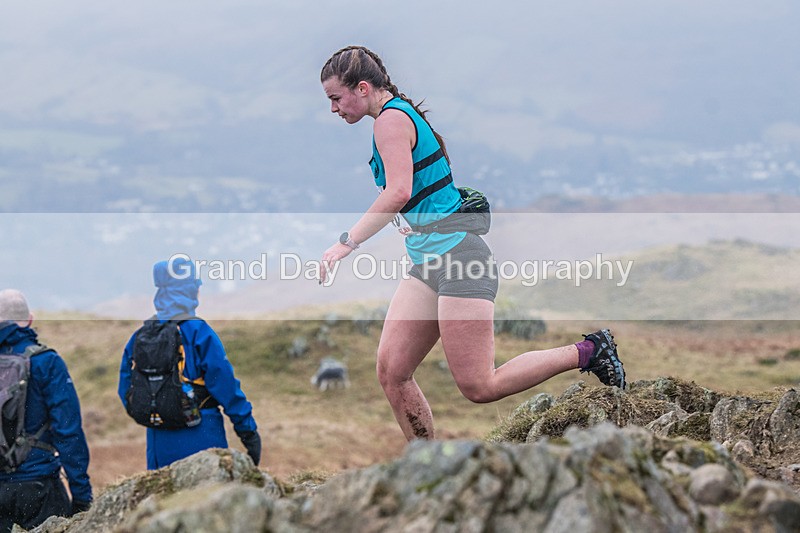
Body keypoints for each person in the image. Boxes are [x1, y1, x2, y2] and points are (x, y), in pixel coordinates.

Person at [319, 46, 626, 441]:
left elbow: (397, 191)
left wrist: (346, 243)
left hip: (459, 259)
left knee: (480, 386)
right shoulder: (394, 116)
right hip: (428, 262)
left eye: (336, 98)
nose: (334, 109)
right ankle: (426, 461)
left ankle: (590, 351)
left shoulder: (390, 121)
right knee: (392, 372)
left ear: (362, 88)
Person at [118, 258, 262, 469]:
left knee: (163, 500)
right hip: (202, 435)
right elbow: (225, 386)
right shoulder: (199, 333)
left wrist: (161, 412)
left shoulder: (141, 336)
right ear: (188, 290)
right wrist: (247, 431)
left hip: (158, 442)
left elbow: (126, 390)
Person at [0, 289, 92, 532]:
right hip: (39, 488)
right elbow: (68, 431)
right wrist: (82, 495)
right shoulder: (46, 361)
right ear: (29, 319)